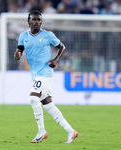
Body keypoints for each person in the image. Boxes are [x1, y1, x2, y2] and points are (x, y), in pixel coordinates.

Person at [14, 10, 79, 143]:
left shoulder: (48, 35)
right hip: (35, 74)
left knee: (33, 98)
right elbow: (20, 48)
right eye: (34, 19)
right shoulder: (23, 36)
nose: (37, 21)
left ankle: (41, 131)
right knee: (48, 104)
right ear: (29, 21)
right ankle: (71, 131)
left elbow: (62, 47)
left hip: (45, 72)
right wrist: (18, 53)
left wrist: (56, 59)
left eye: (39, 19)